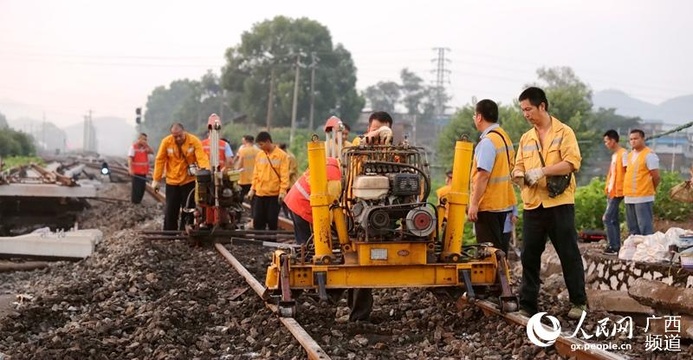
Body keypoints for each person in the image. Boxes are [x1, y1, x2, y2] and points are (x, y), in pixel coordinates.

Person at [512, 87, 587, 320]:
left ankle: (578, 302)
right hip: (533, 204)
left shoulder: (564, 132)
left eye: (528, 109)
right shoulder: (526, 138)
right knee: (529, 256)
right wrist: (518, 175)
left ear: (542, 106)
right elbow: (519, 165)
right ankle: (527, 304)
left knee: (568, 253)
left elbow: (572, 163)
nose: (525, 114)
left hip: (559, 203)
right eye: (523, 110)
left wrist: (542, 171)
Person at [467, 99, 516, 255]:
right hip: (503, 203)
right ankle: (501, 278)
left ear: (479, 117)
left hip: (488, 205)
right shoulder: (503, 137)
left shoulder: (487, 142)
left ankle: (493, 280)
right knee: (499, 251)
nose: (474, 118)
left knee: (488, 253)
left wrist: (474, 204)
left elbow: (483, 176)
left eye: (475, 115)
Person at [151, 123, 210, 231]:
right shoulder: (166, 142)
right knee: (171, 209)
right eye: (175, 136)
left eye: (180, 136)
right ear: (172, 134)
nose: (178, 138)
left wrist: (205, 172)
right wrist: (156, 180)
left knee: (189, 209)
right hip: (172, 181)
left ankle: (185, 231)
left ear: (184, 132)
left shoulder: (194, 141)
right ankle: (169, 233)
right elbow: (160, 160)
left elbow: (202, 158)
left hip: (189, 181)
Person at [284, 157, 342, 245]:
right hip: (302, 203)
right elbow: (329, 206)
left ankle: (301, 253)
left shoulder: (329, 161)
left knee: (302, 239)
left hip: (294, 198)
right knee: (309, 243)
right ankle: (305, 256)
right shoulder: (334, 178)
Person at [247, 131, 290, 230]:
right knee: (258, 219)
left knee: (272, 219)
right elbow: (256, 174)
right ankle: (259, 241)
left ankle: (271, 240)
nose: (260, 147)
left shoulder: (282, 156)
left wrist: (282, 192)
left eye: (261, 144)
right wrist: (252, 189)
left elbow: (284, 176)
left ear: (267, 142)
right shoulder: (260, 155)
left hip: (273, 194)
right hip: (260, 193)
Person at [623, 129, 660, 236]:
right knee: (633, 229)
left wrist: (650, 188)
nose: (633, 141)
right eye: (631, 139)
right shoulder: (629, 156)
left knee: (645, 228)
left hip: (643, 196)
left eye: (636, 138)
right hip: (629, 196)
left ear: (643, 139)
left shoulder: (649, 155)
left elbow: (656, 176)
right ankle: (636, 251)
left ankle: (647, 251)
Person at [602, 130, 627, 255]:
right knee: (613, 219)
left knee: (607, 218)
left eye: (606, 141)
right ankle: (615, 245)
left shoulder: (623, 154)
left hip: (619, 191)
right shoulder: (615, 155)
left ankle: (614, 246)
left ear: (612, 140)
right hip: (612, 191)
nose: (606, 144)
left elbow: (627, 172)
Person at [127, 132, 153, 204]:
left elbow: (152, 152)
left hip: (143, 172)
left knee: (142, 189)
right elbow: (130, 158)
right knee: (136, 189)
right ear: (139, 139)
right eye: (143, 139)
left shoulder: (145, 148)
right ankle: (135, 202)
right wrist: (130, 169)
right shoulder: (133, 147)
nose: (145, 141)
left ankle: (139, 201)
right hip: (136, 173)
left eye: (146, 139)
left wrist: (147, 145)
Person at [236, 135, 260, 199]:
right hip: (255, 179)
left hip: (244, 179)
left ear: (245, 141)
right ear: (253, 141)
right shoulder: (258, 151)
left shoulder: (242, 151)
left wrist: (236, 170)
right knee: (254, 197)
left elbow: (239, 164)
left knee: (240, 197)